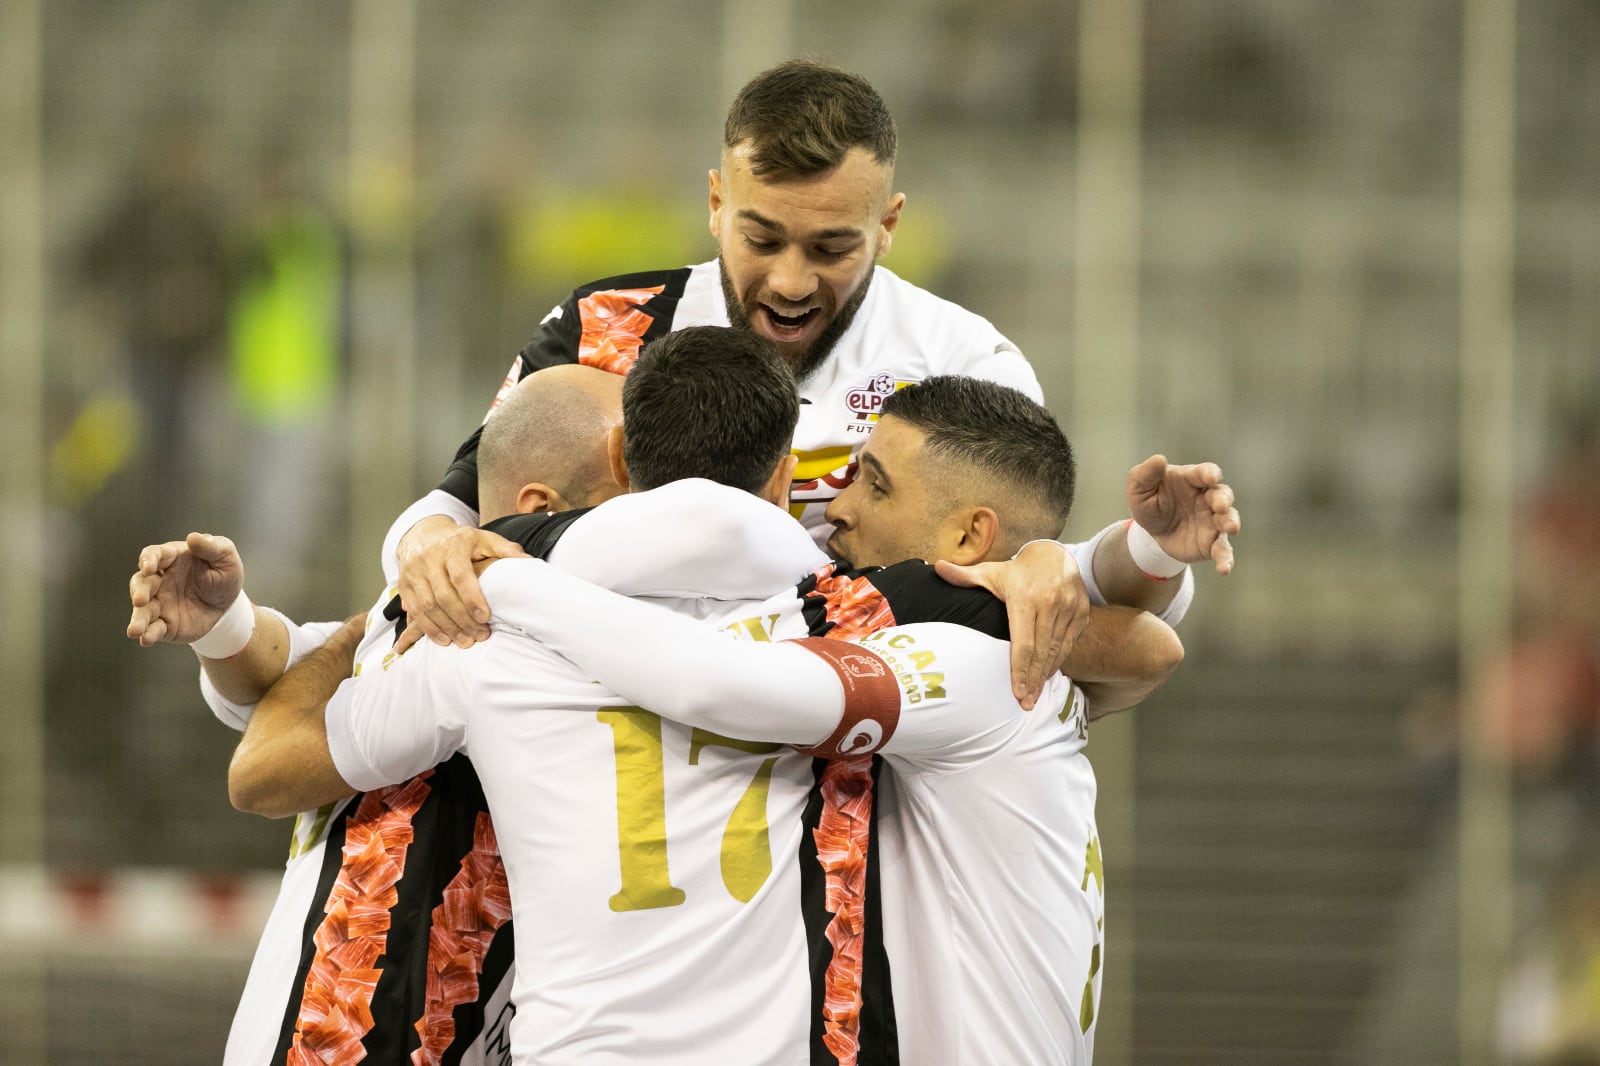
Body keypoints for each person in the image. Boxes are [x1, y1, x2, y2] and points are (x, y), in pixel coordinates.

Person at [224, 345, 1236, 1062]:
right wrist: (1105, 559)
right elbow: (1141, 647)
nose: (837, 507)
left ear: (627, 460)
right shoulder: (886, 627)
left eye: (871, 484)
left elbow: (264, 768)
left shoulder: (484, 627)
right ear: (780, 471)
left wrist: (476, 577)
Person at [382, 59, 1173, 708]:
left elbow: (1035, 592)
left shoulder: (962, 358)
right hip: (601, 726)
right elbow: (453, 506)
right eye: (762, 238)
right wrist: (426, 550)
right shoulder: (604, 326)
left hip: (855, 769)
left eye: (832, 247)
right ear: (717, 203)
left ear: (889, 225)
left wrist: (1065, 565)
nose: (791, 282)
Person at [127, 364, 625, 1066]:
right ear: (541, 508)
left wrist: (391, 608)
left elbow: (271, 750)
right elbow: (287, 683)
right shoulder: (470, 638)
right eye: (628, 495)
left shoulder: (538, 644)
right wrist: (225, 626)